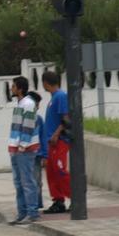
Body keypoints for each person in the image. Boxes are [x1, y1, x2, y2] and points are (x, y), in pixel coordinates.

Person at [7, 76, 41, 224]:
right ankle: (22, 213)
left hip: (25, 149)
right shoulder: (20, 104)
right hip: (16, 148)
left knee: (27, 181)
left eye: (14, 86)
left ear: (20, 89)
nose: (11, 88)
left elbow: (28, 126)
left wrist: (22, 146)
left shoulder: (28, 104)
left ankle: (32, 213)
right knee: (19, 182)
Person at [42, 69, 72, 214]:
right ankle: (58, 200)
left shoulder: (60, 96)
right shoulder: (54, 98)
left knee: (60, 170)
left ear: (45, 83)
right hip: (51, 142)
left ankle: (75, 195)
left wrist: (56, 134)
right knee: (52, 172)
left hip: (59, 141)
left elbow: (66, 118)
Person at [30, 92, 47, 211]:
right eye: (37, 104)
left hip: (36, 155)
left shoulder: (39, 119)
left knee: (36, 181)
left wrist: (44, 155)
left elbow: (43, 137)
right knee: (32, 181)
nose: (38, 107)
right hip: (28, 154)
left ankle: (36, 204)